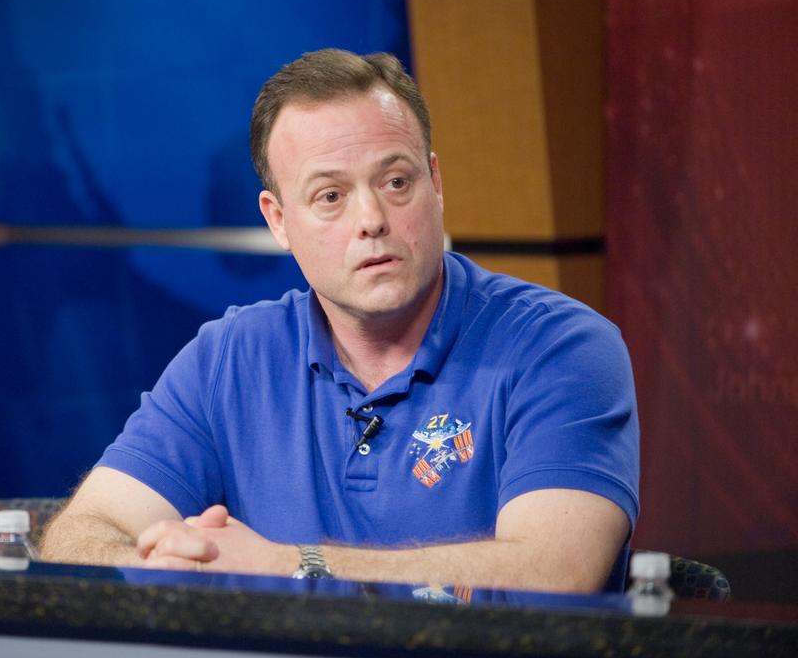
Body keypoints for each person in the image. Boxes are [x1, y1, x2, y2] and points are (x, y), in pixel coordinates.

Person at [41, 49, 638, 592]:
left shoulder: (560, 349)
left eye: (396, 182)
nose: (372, 218)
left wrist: (289, 565)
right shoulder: (229, 358)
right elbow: (78, 538)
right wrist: (168, 562)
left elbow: (556, 575)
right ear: (278, 221)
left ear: (436, 184)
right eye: (331, 196)